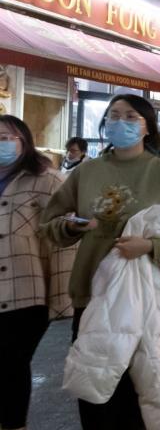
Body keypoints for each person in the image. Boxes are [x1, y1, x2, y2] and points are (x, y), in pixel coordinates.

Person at [40, 94, 160, 429]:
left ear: (147, 128)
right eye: (113, 116)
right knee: (93, 387)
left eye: (130, 117)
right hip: (91, 293)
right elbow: (49, 222)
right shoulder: (87, 172)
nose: (120, 122)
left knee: (138, 389)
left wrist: (151, 245)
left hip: (144, 297)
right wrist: (72, 226)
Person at [0, 115, 72, 430]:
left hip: (27, 292)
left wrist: (63, 296)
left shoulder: (46, 179)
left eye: (6, 137)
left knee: (12, 364)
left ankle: (15, 424)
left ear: (24, 141)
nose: (1, 144)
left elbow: (65, 239)